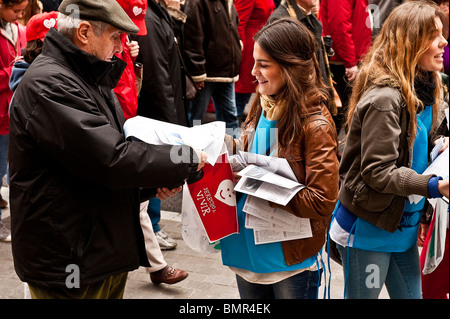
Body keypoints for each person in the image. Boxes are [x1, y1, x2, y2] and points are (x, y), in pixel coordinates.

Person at [8, 0, 206, 299]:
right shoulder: (50, 83)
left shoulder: (87, 75)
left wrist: (150, 184)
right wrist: (184, 157)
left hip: (96, 250)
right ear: (84, 31)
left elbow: (96, 163)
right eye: (116, 36)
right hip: (70, 259)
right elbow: (110, 160)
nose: (121, 47)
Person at [329, 0, 449, 299]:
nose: (444, 41)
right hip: (368, 230)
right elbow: (377, 172)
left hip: (401, 225)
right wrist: (434, 187)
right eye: (434, 35)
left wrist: (439, 147)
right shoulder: (385, 98)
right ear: (411, 42)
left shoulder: (428, 85)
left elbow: (421, 142)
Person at [220, 17, 339, 299]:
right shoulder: (262, 102)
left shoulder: (316, 124)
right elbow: (253, 152)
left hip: (288, 262)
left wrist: (260, 184)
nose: (254, 72)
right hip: (245, 254)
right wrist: (221, 148)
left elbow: (322, 201)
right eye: (254, 62)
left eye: (263, 65)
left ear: (290, 67)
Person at [114, 0, 188, 284]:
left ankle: (155, 264)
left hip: (129, 117)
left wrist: (130, 56)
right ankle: (155, 264)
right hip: (123, 123)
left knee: (139, 201)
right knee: (138, 200)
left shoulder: (151, 18)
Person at [268, 0, 337, 118]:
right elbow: (280, 71)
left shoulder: (309, 17)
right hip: (297, 107)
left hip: (314, 100)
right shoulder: (281, 20)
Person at [183, 0, 241, 130]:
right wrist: (198, 73)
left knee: (230, 117)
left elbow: (233, 28)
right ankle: (192, 149)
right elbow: (192, 39)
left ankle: (232, 149)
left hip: (225, 70)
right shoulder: (197, 3)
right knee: (196, 119)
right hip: (206, 72)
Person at [319, 0, 372, 133]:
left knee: (350, 113)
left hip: (350, 58)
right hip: (343, 62)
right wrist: (350, 63)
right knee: (346, 113)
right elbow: (340, 25)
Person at [0, 0, 28, 242]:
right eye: (15, 10)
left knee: (11, 171)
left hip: (12, 114)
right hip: (0, 114)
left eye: (22, 11)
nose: (19, 16)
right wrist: (15, 70)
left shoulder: (18, 29)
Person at [234, 0, 275, 125]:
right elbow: (239, 25)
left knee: (250, 93)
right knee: (240, 95)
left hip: (261, 49)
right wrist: (239, 56)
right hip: (248, 53)